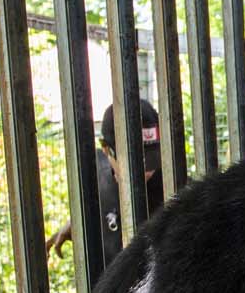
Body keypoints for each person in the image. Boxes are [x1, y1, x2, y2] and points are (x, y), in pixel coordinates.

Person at [47, 100, 165, 273]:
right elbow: (105, 195)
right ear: (106, 150)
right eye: (136, 162)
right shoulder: (93, 173)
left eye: (153, 157)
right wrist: (82, 220)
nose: (146, 171)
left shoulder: (174, 184)